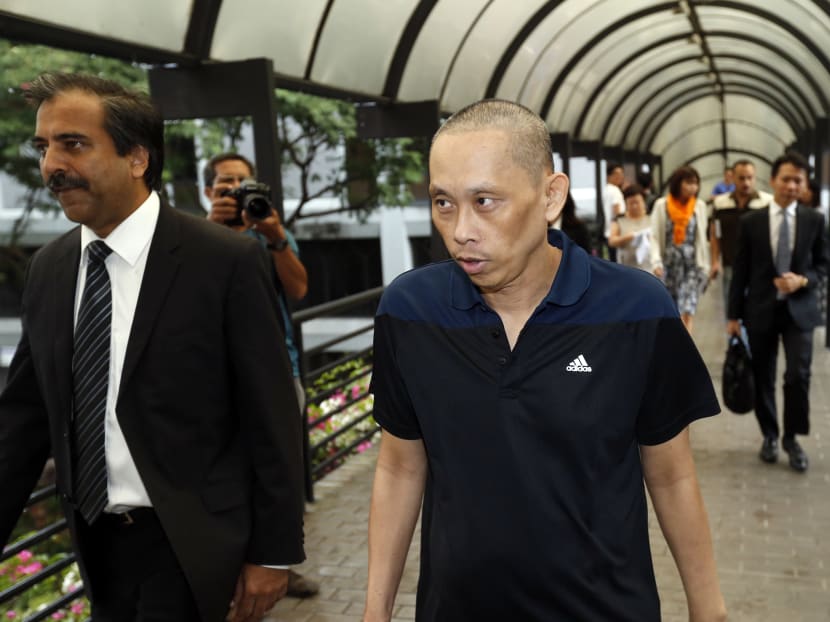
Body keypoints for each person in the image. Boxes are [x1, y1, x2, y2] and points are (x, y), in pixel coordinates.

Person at [363, 99, 726, 622]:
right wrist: (374, 613)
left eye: (485, 201)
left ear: (551, 196)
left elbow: (671, 475)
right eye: (443, 203)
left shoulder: (637, 309)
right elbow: (400, 467)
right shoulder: (409, 311)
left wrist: (708, 610)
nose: (461, 229)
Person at [0, 72, 305, 621]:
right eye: (43, 147)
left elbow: (271, 414)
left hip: (193, 545)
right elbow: (24, 419)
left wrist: (273, 552)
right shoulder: (49, 268)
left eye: (73, 144)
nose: (52, 166)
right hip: (96, 547)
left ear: (137, 157)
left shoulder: (224, 261)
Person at [203, 152, 319, 598]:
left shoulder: (272, 233)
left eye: (243, 183)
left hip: (279, 370)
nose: (235, 190)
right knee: (226, 475)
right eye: (226, 183)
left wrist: (275, 238)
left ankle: (280, 563)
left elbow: (299, 288)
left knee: (282, 471)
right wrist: (214, 230)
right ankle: (232, 568)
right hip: (215, 379)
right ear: (209, 191)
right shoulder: (194, 239)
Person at [727, 151, 828, 473]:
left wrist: (803, 280)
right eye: (786, 179)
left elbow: (823, 265)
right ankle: (770, 435)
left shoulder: (815, 220)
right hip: (761, 308)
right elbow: (740, 271)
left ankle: (792, 438)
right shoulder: (751, 221)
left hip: (800, 310)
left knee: (798, 374)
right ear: (773, 181)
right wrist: (732, 316)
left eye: (798, 180)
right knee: (763, 375)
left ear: (805, 185)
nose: (792, 186)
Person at [650, 165, 715, 333]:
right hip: (668, 265)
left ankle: (686, 345)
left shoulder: (699, 206)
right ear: (678, 183)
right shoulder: (662, 205)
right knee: (672, 310)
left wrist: (706, 266)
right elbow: (655, 236)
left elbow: (702, 239)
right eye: (688, 183)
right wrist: (656, 261)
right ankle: (674, 342)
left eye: (695, 183)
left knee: (688, 309)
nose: (693, 187)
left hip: (692, 265)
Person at [709, 160, 772, 313]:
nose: (746, 183)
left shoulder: (767, 202)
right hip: (731, 264)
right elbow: (715, 233)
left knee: (757, 309)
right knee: (732, 309)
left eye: (750, 178)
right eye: (742, 178)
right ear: (732, 178)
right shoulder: (720, 204)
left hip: (760, 267)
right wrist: (715, 261)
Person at [609, 183, 653, 272]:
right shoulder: (619, 220)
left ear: (643, 201)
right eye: (631, 203)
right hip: (627, 268)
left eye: (637, 202)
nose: (634, 206)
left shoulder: (652, 218)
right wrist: (626, 238)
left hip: (650, 267)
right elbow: (612, 241)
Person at [602, 161, 625, 261]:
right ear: (609, 176)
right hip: (616, 233)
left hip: (608, 232)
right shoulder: (615, 190)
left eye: (621, 174)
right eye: (617, 174)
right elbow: (617, 212)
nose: (620, 177)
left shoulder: (606, 189)